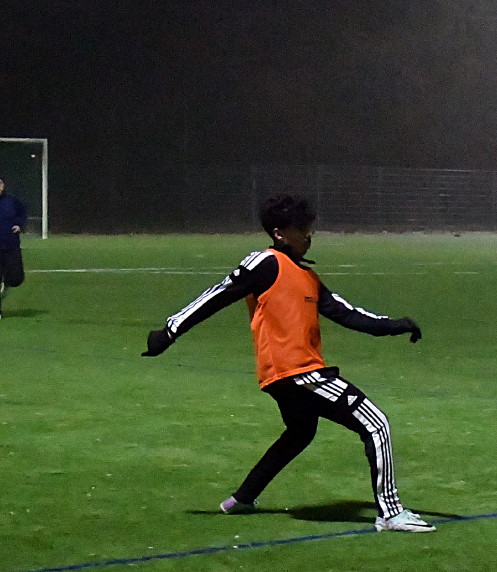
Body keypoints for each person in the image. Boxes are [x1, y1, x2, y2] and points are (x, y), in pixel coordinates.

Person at [141, 193, 435, 532]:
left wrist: (394, 325)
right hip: (299, 373)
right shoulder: (265, 263)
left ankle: (242, 498)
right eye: (301, 228)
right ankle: (391, 513)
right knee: (376, 424)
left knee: (301, 432)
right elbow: (218, 294)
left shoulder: (307, 277)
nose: (309, 235)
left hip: (287, 376)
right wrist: (170, 331)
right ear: (280, 233)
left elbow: (349, 314)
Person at [0, 177, 28, 320]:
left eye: (0, 183)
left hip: (11, 246)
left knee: (16, 278)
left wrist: (19, 224)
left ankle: (5, 287)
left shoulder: (12, 201)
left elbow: (22, 213)